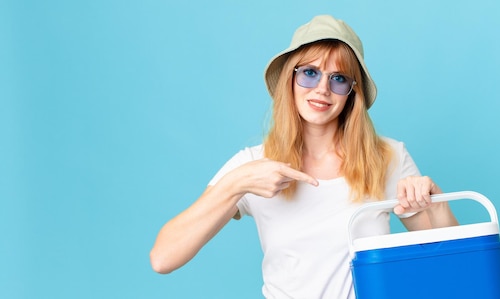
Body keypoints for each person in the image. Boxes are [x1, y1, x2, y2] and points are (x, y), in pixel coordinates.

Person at [150, 15, 458, 298]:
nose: (322, 89)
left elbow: (454, 266)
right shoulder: (253, 165)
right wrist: (238, 183)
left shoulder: (386, 157)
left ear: (352, 92)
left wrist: (436, 201)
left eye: (338, 79)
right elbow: (163, 258)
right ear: (290, 79)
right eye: (310, 73)